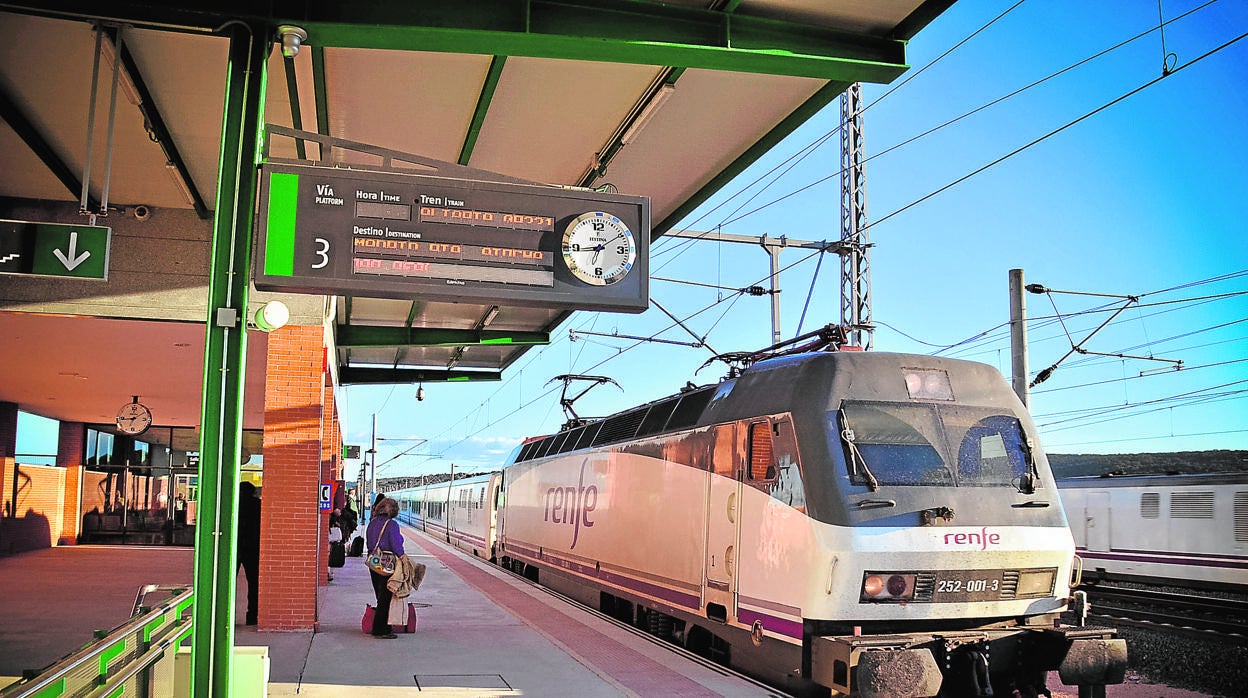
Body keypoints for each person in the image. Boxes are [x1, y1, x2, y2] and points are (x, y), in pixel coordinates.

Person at [366, 496, 404, 638]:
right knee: (386, 597)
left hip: (373, 562)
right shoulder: (392, 524)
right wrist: (402, 556)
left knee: (379, 595)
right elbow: (396, 544)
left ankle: (382, 626)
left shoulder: (372, 523)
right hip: (386, 563)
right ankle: (380, 629)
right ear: (393, 511)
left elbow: (370, 543)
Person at [237, 482, 262, 626]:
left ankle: (223, 616)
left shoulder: (233, 503)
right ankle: (252, 615)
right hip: (252, 548)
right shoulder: (257, 505)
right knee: (253, 583)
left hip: (235, 546)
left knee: (227, 581)